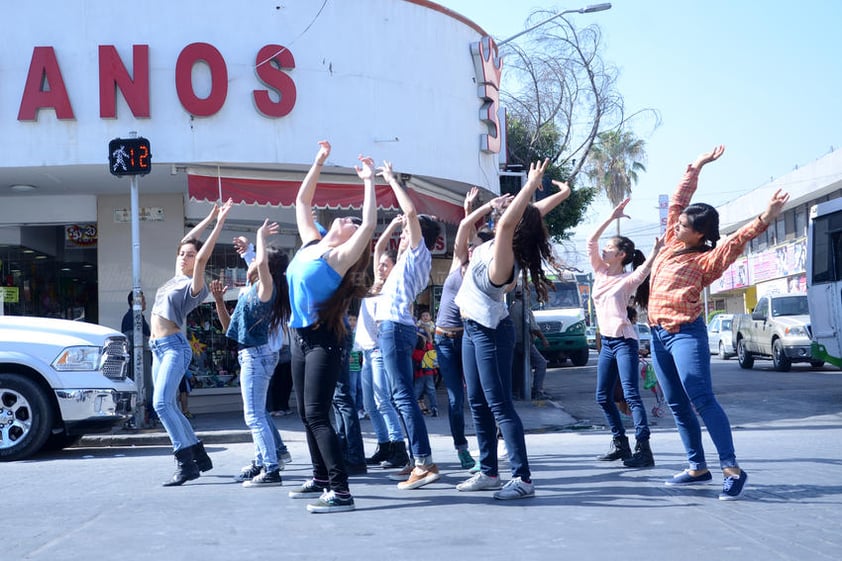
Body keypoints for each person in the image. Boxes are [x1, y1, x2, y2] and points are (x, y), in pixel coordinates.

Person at [644, 145, 789, 500]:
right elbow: (679, 201)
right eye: (676, 225)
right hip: (657, 334)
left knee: (702, 399)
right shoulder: (667, 245)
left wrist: (766, 216)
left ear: (699, 235)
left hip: (685, 334)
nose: (675, 227)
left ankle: (732, 469)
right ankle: (697, 467)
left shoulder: (708, 260)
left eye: (683, 227)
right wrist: (696, 166)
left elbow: (739, 240)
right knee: (676, 403)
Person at [454, 160, 570, 500]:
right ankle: (488, 470)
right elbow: (529, 215)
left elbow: (509, 222)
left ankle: (523, 478)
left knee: (499, 404)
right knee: (477, 402)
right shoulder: (493, 244)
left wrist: (531, 184)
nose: (500, 209)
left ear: (514, 222)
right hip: (472, 329)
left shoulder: (505, 258)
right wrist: (559, 195)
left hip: (490, 334)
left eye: (507, 209)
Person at [285, 140, 376, 513]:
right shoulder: (312, 243)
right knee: (307, 414)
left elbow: (368, 223)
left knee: (319, 414)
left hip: (324, 341)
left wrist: (369, 181)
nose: (345, 218)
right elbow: (302, 203)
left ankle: (341, 491)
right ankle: (320, 477)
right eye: (344, 217)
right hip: (298, 337)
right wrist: (318, 161)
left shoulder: (338, 258)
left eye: (349, 221)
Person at [150, 198, 233, 486]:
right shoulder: (174, 278)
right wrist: (209, 217)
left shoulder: (192, 286)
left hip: (174, 347)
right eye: (181, 254)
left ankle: (185, 462)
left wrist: (220, 222)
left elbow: (200, 257)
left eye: (188, 255)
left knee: (161, 404)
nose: (184, 257)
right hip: (157, 350)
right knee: (167, 406)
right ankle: (199, 454)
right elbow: (187, 240)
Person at [374, 161, 442, 490]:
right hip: (396, 327)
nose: (402, 236)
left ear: (417, 237)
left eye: (405, 233)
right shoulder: (407, 261)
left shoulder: (418, 254)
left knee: (402, 396)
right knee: (398, 395)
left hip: (395, 327)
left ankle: (423, 462)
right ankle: (418, 458)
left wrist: (389, 179)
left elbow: (412, 213)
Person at [210, 220, 291, 487]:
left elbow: (263, 267)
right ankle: (264, 460)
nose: (255, 260)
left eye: (260, 259)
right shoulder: (252, 290)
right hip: (251, 355)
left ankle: (270, 468)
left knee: (254, 416)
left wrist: (258, 237)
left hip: (257, 356)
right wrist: (220, 302)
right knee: (257, 413)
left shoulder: (267, 290)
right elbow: (227, 328)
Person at [434, 188, 509, 469]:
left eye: (474, 245)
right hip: (443, 339)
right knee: (455, 399)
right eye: (468, 245)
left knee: (480, 396)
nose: (468, 247)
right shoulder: (458, 263)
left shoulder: (488, 272)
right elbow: (465, 229)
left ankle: (488, 448)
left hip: (470, 337)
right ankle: (461, 448)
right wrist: (480, 208)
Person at [587, 199, 663, 468]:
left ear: (621, 255)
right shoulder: (599, 272)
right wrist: (611, 217)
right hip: (606, 343)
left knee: (630, 395)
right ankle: (621, 444)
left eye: (609, 249)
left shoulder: (627, 279)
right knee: (602, 397)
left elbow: (644, 271)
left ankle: (644, 448)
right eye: (605, 249)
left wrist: (655, 251)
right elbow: (591, 241)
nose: (604, 251)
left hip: (624, 342)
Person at [355, 220, 410, 469]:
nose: (380, 267)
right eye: (379, 264)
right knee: (369, 404)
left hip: (378, 350)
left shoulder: (390, 289)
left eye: (385, 265)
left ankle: (398, 448)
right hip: (366, 352)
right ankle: (384, 444)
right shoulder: (374, 285)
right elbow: (377, 251)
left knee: (382, 401)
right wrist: (391, 228)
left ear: (393, 269)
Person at [509, 289, 550, 400]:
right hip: (524, 343)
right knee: (541, 363)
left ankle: (517, 392)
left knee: (518, 368)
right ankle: (538, 391)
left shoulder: (512, 307)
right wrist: (543, 339)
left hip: (514, 342)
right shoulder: (524, 308)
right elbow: (533, 327)